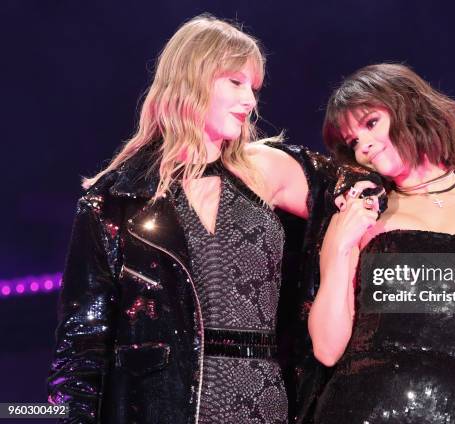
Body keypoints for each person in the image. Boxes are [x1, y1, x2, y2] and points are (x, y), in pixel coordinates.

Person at [47, 15, 379, 424]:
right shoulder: (115, 199)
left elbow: (363, 187)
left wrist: (340, 248)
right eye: (235, 83)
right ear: (191, 79)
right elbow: (82, 346)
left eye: (253, 89)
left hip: (264, 404)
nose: (251, 102)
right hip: (158, 407)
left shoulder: (264, 170)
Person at [308, 63, 455, 423]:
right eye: (353, 142)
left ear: (407, 106)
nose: (365, 147)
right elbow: (328, 350)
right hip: (357, 409)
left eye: (371, 123)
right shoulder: (361, 215)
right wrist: (341, 243)